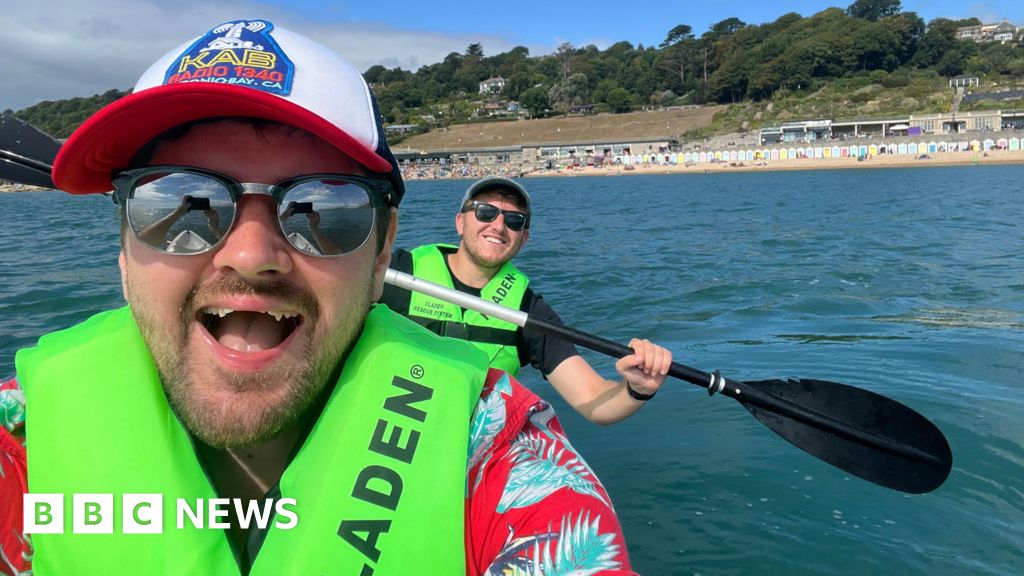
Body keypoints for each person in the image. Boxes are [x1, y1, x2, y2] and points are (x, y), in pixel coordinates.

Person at [0, 19, 637, 575]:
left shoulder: (499, 453)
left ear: (382, 247)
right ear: (123, 242)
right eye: (180, 203)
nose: (250, 256)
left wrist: (632, 387)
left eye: (322, 209)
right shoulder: (23, 435)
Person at [379, 177, 673, 425]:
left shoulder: (527, 311)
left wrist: (637, 389)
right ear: (460, 222)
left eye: (514, 220)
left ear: (524, 238)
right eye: (485, 212)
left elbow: (593, 400)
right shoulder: (394, 271)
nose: (498, 225)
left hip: (466, 443)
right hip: (385, 422)